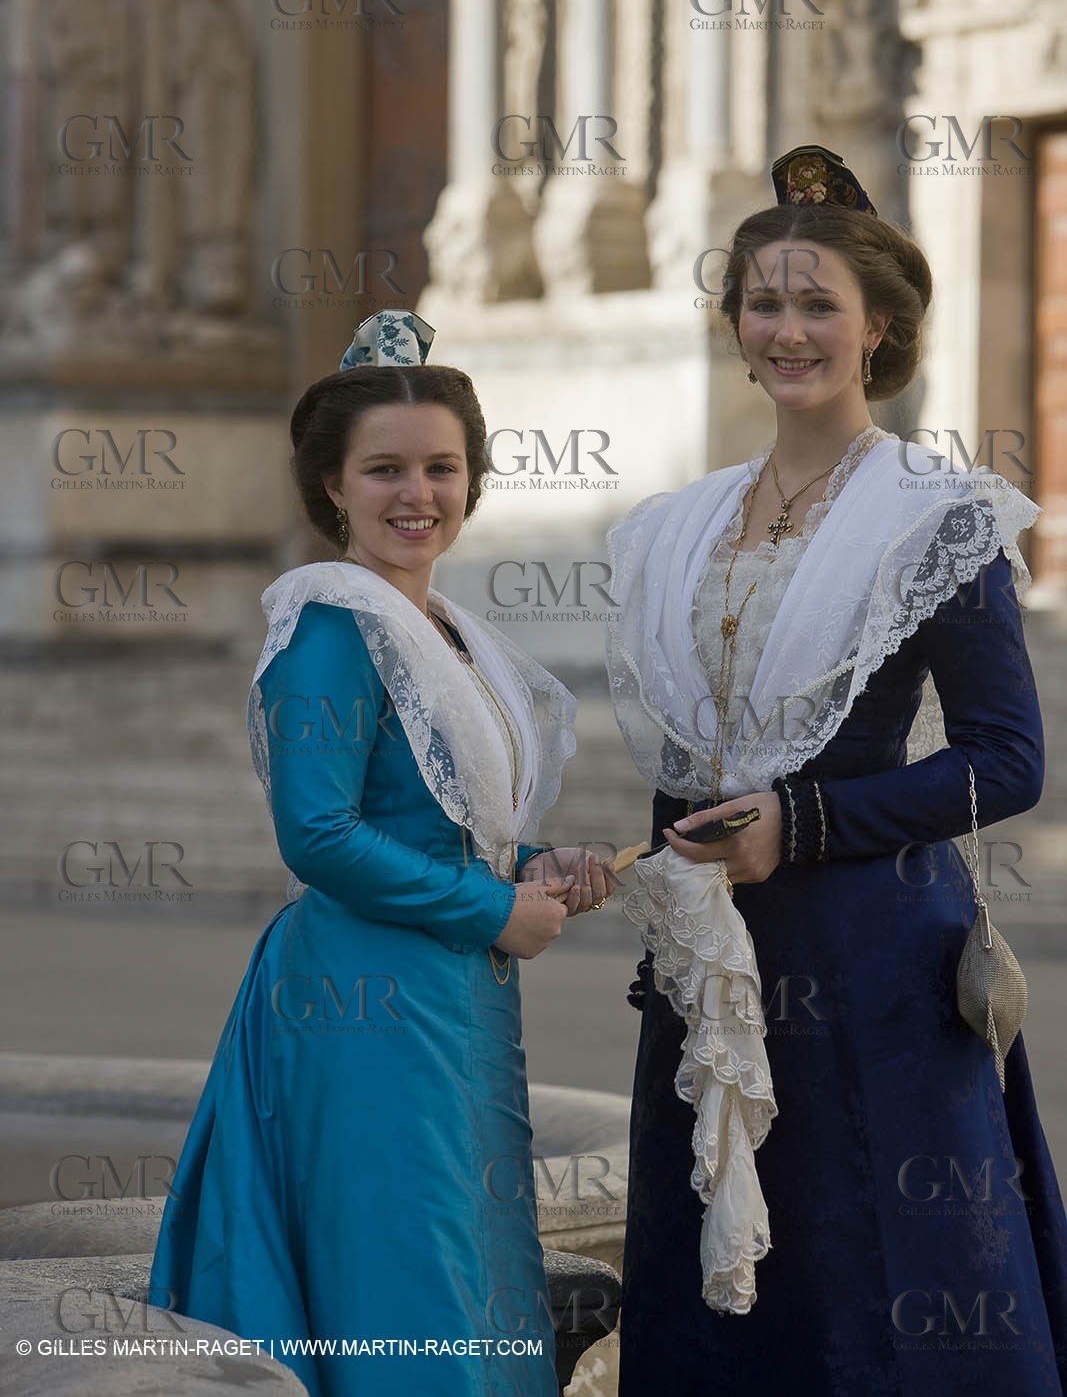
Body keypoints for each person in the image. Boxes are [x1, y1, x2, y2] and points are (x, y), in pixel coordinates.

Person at [606, 148, 1067, 1394]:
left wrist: (797, 825)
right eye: (764, 301)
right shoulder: (676, 525)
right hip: (713, 966)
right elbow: (681, 766)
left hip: (870, 960)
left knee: (876, 1276)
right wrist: (665, 904)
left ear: (878, 329)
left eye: (817, 305)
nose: (788, 328)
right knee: (716, 1282)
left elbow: (1004, 760)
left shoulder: (935, 514)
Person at [149, 310, 615, 1397]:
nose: (418, 494)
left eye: (441, 468)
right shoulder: (327, 627)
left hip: (446, 984)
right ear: (332, 488)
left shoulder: (437, 628)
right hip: (361, 996)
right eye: (385, 470)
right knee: (406, 1267)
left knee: (460, 1250)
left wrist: (536, 864)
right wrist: (492, 908)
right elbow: (317, 835)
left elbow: (443, 821)